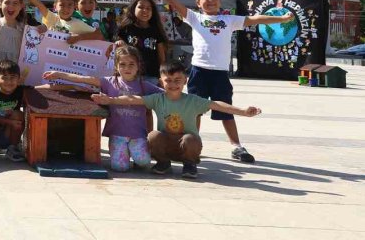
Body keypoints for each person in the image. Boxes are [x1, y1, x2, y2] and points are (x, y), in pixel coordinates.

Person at [147, 0, 293, 164]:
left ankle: (236, 146)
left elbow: (256, 19)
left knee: (226, 111)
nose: (210, 1)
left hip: (220, 74)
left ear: (219, 0)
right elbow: (173, 2)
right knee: (194, 111)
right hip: (198, 72)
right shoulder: (194, 17)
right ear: (198, 3)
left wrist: (281, 18)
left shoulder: (229, 20)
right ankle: (192, 144)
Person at [92, 60, 262, 179]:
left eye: (177, 80)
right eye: (168, 81)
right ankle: (163, 163)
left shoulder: (192, 100)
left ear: (185, 81)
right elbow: (133, 99)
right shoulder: (158, 98)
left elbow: (217, 105)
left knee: (190, 138)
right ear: (161, 82)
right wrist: (110, 100)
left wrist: (242, 111)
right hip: (166, 145)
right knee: (153, 136)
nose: (173, 84)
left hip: (186, 146)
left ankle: (189, 164)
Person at [45, 45, 161, 172]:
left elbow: (166, 95)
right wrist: (60, 75)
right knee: (120, 168)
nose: (127, 68)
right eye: (122, 64)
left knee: (144, 161)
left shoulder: (146, 86)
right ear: (116, 66)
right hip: (117, 134)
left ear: (138, 65)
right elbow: (85, 79)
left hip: (138, 135)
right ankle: (124, 152)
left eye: (131, 64)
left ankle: (136, 154)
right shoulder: (109, 82)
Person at [12, 0, 101, 40]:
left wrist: (79, 37)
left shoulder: (78, 23)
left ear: (74, 7)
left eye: (70, 5)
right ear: (55, 7)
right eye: (62, 5)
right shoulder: (52, 18)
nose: (66, 9)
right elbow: (38, 3)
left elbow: (98, 35)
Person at [115, 0, 168, 83]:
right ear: (133, 9)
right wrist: (120, 44)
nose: (145, 11)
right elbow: (118, 53)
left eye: (148, 8)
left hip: (151, 76)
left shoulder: (156, 30)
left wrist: (163, 75)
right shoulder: (125, 29)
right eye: (141, 7)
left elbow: (161, 57)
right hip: (129, 75)